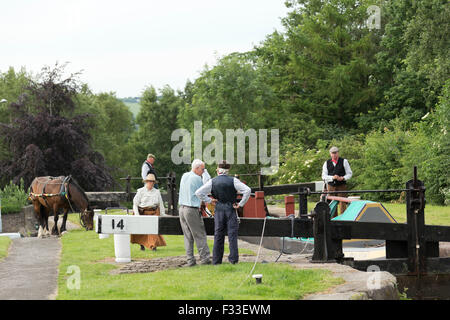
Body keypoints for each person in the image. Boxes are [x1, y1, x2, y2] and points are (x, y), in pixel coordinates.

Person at [195, 160, 251, 265]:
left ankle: (216, 260)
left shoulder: (212, 181)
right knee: (232, 236)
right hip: (230, 209)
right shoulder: (234, 181)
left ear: (218, 170)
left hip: (219, 209)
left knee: (218, 235)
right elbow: (247, 190)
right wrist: (241, 204)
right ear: (228, 170)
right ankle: (233, 260)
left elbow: (198, 192)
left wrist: (209, 200)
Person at [178, 159, 211, 267]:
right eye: (202, 169)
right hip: (191, 209)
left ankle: (190, 260)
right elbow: (204, 191)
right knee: (199, 234)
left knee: (188, 236)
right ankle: (205, 259)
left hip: (182, 208)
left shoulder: (184, 175)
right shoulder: (197, 178)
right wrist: (210, 201)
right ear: (196, 168)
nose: (203, 171)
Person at [131, 173, 166, 251]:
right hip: (143, 212)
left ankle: (153, 245)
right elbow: (135, 204)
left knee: (153, 229)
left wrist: (162, 214)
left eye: (152, 182)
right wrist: (137, 215)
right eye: (149, 181)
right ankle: (142, 245)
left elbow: (161, 204)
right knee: (142, 230)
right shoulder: (140, 191)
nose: (151, 183)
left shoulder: (157, 192)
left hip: (153, 212)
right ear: (146, 182)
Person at [322, 146, 353, 215]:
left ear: (338, 153)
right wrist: (332, 177)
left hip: (341, 185)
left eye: (335, 153)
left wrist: (343, 178)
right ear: (330, 154)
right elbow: (323, 176)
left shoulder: (344, 161)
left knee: (343, 202)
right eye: (332, 153)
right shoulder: (326, 163)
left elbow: (349, 173)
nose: (334, 155)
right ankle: (333, 218)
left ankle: (343, 218)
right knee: (332, 203)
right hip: (331, 186)